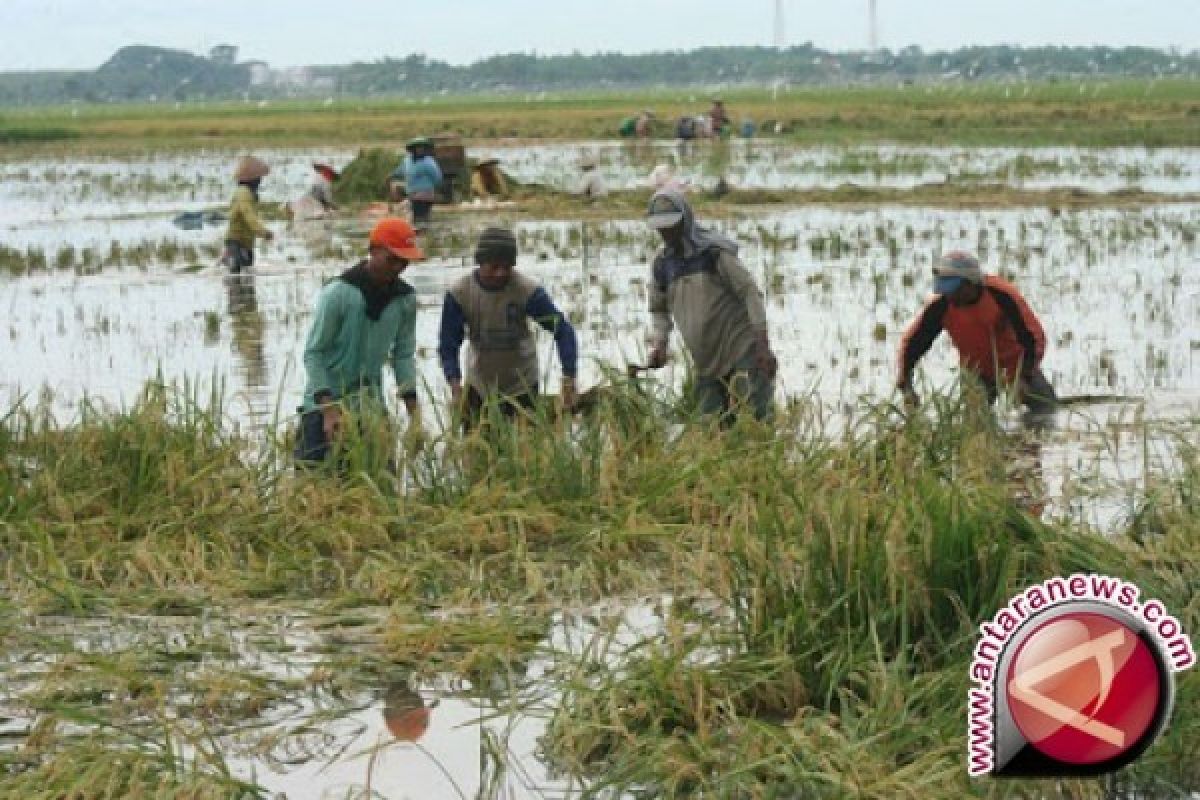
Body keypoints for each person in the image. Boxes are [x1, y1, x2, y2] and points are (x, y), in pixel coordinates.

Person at [295, 217, 424, 466]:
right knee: (314, 490)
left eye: (404, 261)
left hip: (370, 408)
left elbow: (403, 355)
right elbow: (314, 353)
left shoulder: (405, 300)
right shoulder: (339, 294)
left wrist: (414, 414)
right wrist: (328, 410)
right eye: (392, 259)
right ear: (373, 251)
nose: (398, 267)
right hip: (324, 407)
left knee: (382, 488)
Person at [644, 188, 777, 424]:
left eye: (671, 225)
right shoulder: (662, 264)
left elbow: (749, 292)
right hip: (705, 360)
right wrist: (660, 345)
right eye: (661, 227)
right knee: (711, 427)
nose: (666, 232)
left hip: (740, 348)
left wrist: (762, 345)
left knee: (757, 421)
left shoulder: (714, 253)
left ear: (685, 220)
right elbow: (659, 309)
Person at [438, 227, 578, 428]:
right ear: (480, 262)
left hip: (522, 386)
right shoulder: (460, 293)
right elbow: (448, 345)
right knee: (476, 452)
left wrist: (569, 378)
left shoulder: (526, 291)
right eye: (494, 266)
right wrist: (455, 386)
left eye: (507, 267)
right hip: (479, 385)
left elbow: (562, 331)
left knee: (525, 450)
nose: (501, 273)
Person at [897, 250, 1057, 413]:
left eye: (954, 290)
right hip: (976, 372)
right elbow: (913, 344)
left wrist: (1023, 375)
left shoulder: (1001, 295)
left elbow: (1032, 337)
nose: (950, 297)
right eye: (945, 291)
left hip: (1015, 367)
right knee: (974, 425)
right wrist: (906, 385)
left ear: (970, 282)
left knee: (1046, 411)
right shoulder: (941, 306)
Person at [222, 155, 273, 273]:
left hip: (245, 243)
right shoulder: (243, 194)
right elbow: (249, 217)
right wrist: (264, 233)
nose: (260, 181)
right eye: (259, 178)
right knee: (236, 280)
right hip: (237, 243)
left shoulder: (249, 194)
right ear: (253, 179)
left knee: (246, 281)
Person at [392, 137, 443, 226]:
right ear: (413, 149)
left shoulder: (428, 162)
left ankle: (424, 235)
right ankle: (422, 235)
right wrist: (391, 175)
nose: (420, 150)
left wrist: (428, 188)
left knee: (420, 218)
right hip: (412, 194)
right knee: (415, 218)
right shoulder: (407, 160)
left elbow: (437, 177)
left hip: (425, 195)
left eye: (422, 148)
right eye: (418, 148)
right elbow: (400, 170)